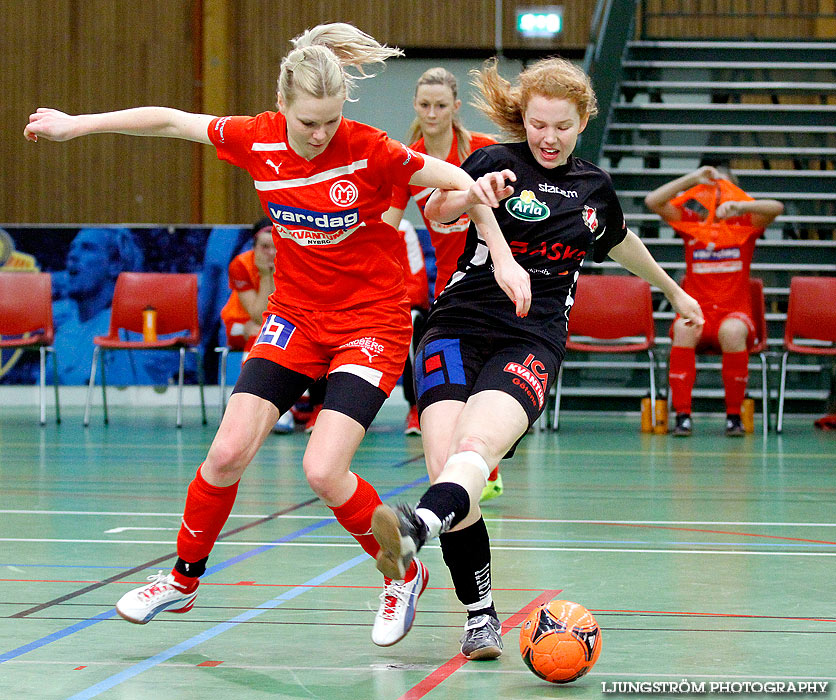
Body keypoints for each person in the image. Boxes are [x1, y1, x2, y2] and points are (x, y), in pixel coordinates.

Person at [24, 23, 530, 648]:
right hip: (295, 318)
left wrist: (503, 257)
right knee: (227, 452)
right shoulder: (255, 138)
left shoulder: (371, 149)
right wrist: (77, 125)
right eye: (307, 122)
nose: (319, 135)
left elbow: (460, 184)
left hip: (371, 323)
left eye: (330, 121)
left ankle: (402, 573)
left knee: (323, 469)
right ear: (283, 104)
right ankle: (182, 580)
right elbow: (171, 121)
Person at [370, 56, 703, 659]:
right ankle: (480, 615)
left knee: (473, 454)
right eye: (538, 124)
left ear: (582, 124)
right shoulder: (495, 161)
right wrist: (475, 193)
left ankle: (417, 526)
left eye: (562, 127)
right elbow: (438, 213)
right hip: (456, 325)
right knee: (449, 464)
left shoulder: (594, 189)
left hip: (532, 336)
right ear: (523, 118)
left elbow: (620, 241)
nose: (548, 138)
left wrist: (674, 290)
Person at [384, 67, 503, 498]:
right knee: (455, 383)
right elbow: (387, 228)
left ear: (455, 108)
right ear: (416, 107)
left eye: (440, 105)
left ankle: (486, 461)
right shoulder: (407, 161)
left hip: (495, 281)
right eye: (424, 105)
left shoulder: (484, 151)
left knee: (488, 383)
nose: (432, 112)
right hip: (452, 290)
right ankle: (473, 468)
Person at [644, 164, 783, 437]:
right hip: (699, 312)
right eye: (711, 188)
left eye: (724, 188)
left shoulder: (745, 224)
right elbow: (653, 201)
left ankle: (734, 416)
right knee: (684, 328)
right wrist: (693, 177)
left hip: (734, 314)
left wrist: (740, 207)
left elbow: (776, 207)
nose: (717, 194)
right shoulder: (692, 223)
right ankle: (682, 416)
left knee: (732, 331)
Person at [220, 217, 294, 433]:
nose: (271, 253)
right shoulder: (240, 265)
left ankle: (284, 406)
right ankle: (256, 408)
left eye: (276, 247)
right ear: (254, 247)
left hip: (271, 325)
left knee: (273, 336)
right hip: (239, 325)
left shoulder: (292, 264)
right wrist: (265, 274)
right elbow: (258, 315)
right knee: (261, 335)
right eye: (264, 247)